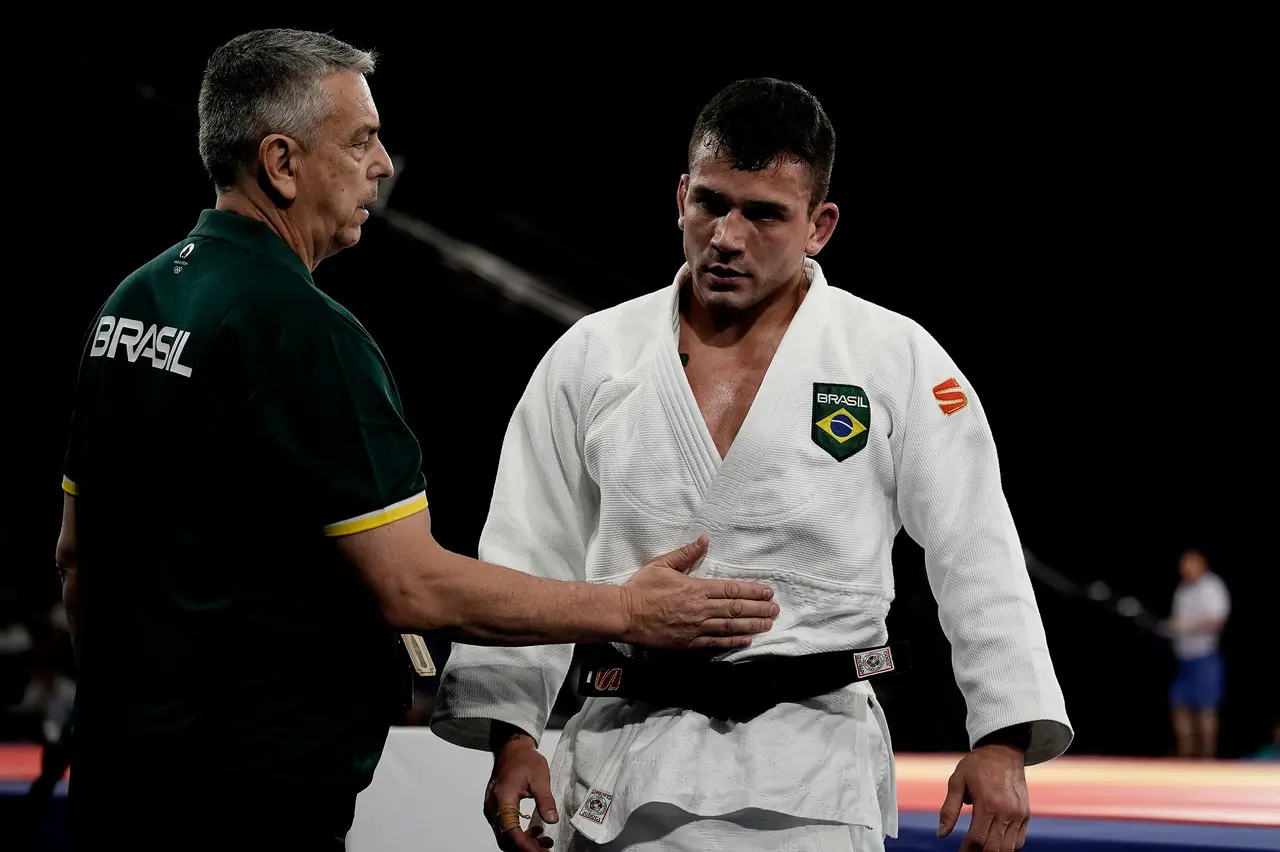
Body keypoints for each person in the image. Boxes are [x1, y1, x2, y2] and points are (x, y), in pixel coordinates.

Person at [54, 31, 780, 851]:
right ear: (282, 163)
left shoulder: (130, 305)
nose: (382, 165)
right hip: (243, 799)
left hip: (116, 778)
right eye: (359, 141)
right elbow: (415, 588)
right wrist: (627, 609)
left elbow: (77, 559)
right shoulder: (303, 331)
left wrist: (138, 713)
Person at [430, 78, 1073, 852]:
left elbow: (977, 547)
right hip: (622, 764)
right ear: (681, 198)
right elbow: (526, 551)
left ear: (819, 226)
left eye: (763, 213)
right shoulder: (593, 357)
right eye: (710, 203)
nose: (726, 237)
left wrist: (1002, 736)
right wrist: (513, 735)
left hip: (814, 774)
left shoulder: (892, 358)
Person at [1162, 549, 1230, 759]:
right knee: (1179, 706)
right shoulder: (1182, 590)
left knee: (1205, 709)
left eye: (1188, 565)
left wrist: (1185, 627)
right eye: (1182, 566)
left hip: (1205, 657)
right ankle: (1186, 755)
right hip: (1184, 658)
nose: (1184, 570)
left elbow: (1216, 619)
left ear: (1201, 565)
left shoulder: (1211, 586)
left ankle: (1207, 758)